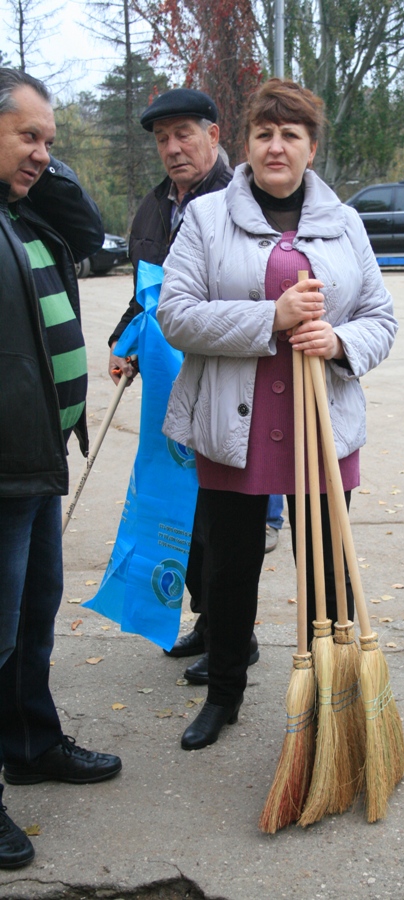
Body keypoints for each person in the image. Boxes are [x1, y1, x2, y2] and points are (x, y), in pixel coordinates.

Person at [157, 78, 398, 751]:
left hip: (322, 428)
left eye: (290, 135)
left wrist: (340, 342)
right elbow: (175, 314)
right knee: (228, 572)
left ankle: (331, 694)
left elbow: (380, 317)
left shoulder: (343, 222)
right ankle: (224, 693)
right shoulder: (207, 219)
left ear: (310, 147)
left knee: (327, 571)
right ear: (246, 143)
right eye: (264, 133)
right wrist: (273, 318)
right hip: (233, 429)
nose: (275, 146)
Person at [105, 87, 280, 680]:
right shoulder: (155, 207)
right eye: (162, 139)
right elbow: (145, 294)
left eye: (184, 134)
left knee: (225, 513)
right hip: (168, 376)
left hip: (229, 377)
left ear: (214, 135)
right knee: (188, 509)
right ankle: (211, 623)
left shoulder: (242, 200)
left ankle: (239, 636)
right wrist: (125, 341)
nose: (173, 148)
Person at [0, 68, 122, 870]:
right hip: (3, 471)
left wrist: (36, 163)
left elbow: (90, 236)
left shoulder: (23, 211)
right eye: (29, 136)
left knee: (33, 617)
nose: (44, 154)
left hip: (34, 463)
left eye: (53, 140)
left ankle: (30, 743)